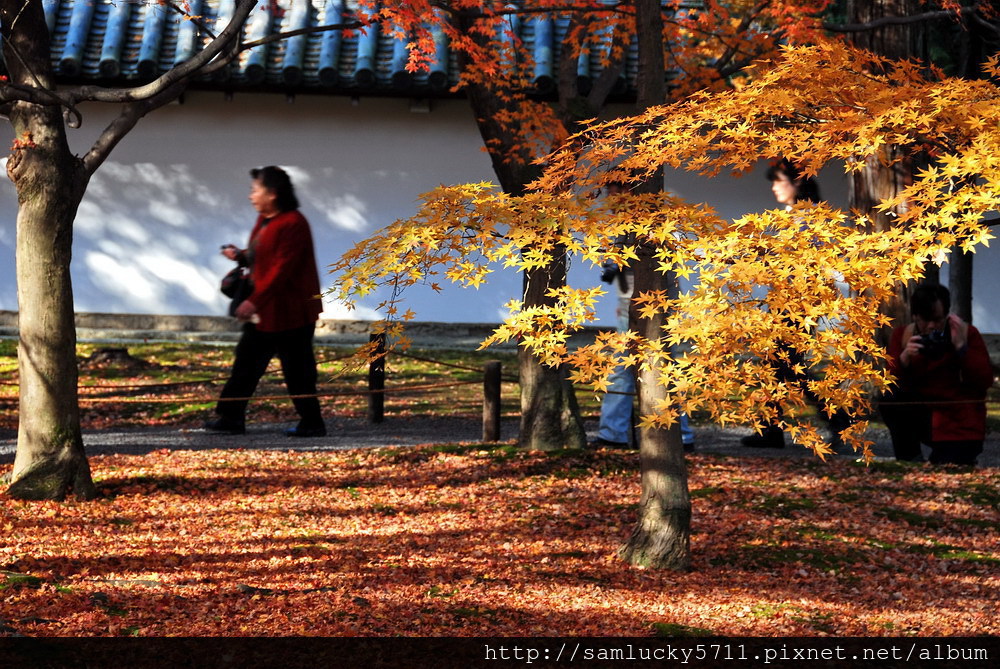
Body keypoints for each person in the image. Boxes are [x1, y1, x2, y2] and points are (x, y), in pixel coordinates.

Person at [206, 166, 326, 437]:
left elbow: (282, 269)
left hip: (291, 312)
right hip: (266, 312)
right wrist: (241, 255)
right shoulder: (265, 220)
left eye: (255, 190)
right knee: (245, 363)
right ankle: (230, 416)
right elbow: (264, 254)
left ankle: (312, 421)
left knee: (298, 369)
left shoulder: (293, 223)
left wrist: (254, 302)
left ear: (272, 194)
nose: (251, 196)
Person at [740, 159, 850, 449]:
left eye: (779, 180)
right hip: (785, 301)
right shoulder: (794, 215)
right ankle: (772, 429)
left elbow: (812, 263)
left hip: (799, 304)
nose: (774, 187)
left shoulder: (808, 217)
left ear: (797, 182)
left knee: (791, 368)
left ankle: (838, 422)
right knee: (779, 366)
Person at [591, 182, 694, 451]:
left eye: (615, 194)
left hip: (649, 310)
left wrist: (608, 255)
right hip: (641, 308)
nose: (611, 201)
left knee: (630, 372)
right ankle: (680, 436)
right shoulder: (649, 227)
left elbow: (611, 269)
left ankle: (614, 434)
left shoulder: (634, 228)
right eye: (609, 195)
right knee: (657, 370)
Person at [881, 283, 993, 465]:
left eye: (938, 320)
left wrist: (961, 349)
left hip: (959, 422)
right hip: (925, 416)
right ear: (915, 316)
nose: (932, 326)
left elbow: (984, 380)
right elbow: (890, 383)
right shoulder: (903, 335)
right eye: (925, 320)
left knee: (947, 467)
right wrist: (904, 358)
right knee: (890, 400)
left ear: (947, 316)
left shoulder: (966, 334)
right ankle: (910, 459)